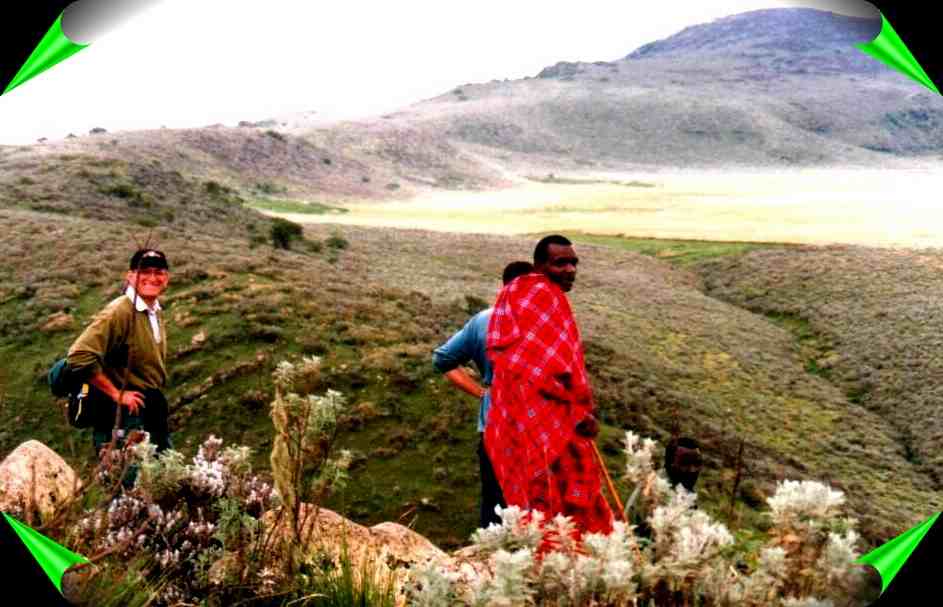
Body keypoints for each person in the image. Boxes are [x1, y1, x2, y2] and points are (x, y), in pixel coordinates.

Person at [485, 235, 614, 535]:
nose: (570, 270)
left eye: (573, 263)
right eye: (560, 263)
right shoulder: (546, 296)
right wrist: (582, 410)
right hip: (550, 419)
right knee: (562, 500)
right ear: (539, 265)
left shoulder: (514, 294)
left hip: (515, 421)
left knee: (535, 501)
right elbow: (560, 367)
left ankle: (543, 553)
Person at [433, 261, 534, 529]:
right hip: (535, 427)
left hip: (493, 424)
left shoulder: (483, 320)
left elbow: (442, 360)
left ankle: (492, 560)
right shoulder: (540, 324)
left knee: (494, 502)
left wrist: (482, 393)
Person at [67, 249, 173, 455]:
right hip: (124, 416)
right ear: (131, 275)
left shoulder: (153, 310)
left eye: (158, 272)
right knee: (131, 480)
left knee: (164, 476)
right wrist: (117, 394)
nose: (152, 278)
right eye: (145, 271)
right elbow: (79, 355)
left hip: (148, 408)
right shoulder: (120, 311)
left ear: (166, 278)